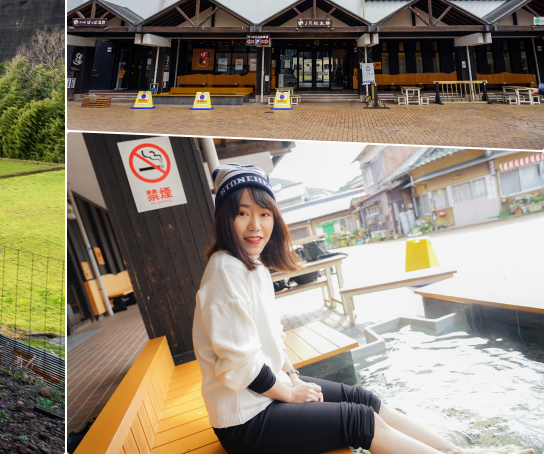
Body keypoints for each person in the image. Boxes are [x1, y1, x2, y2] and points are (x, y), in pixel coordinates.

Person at [192, 164, 532, 454]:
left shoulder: (253, 266)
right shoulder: (225, 271)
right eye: (242, 213)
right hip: (246, 419)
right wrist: (291, 392)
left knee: (363, 398)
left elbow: (274, 339)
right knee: (361, 421)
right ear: (226, 218)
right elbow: (241, 366)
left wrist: (292, 377)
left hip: (266, 395)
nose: (256, 225)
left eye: (264, 214)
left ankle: (457, 452)